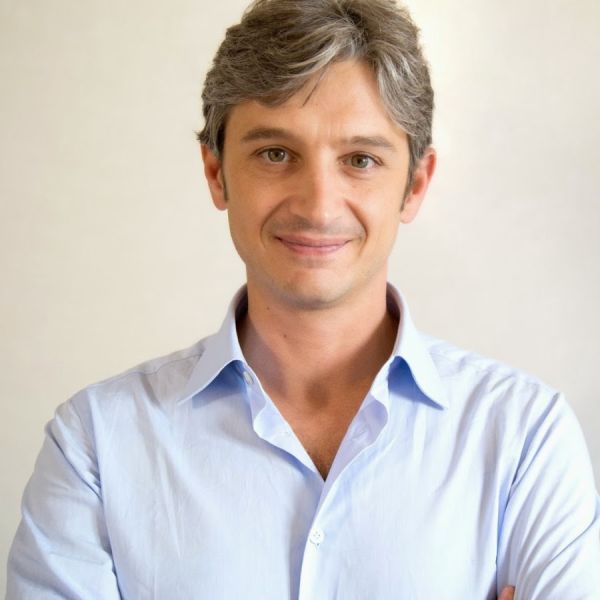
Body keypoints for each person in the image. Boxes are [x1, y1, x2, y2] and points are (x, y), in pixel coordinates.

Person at [7, 0, 600, 598]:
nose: (318, 205)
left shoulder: (525, 438)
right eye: (275, 154)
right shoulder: (95, 444)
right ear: (216, 172)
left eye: (361, 160)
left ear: (415, 184)